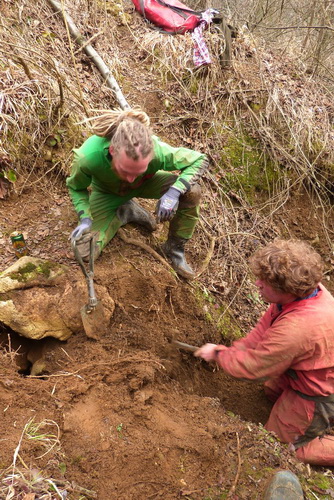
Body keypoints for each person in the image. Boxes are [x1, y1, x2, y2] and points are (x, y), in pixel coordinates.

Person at [195, 239, 334, 466]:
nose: (257, 283)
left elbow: (256, 368)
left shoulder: (298, 328)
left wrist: (220, 355)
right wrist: (236, 349)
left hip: (320, 390)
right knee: (271, 391)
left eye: (265, 282)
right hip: (306, 365)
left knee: (283, 447)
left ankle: (312, 435)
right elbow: (264, 330)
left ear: (286, 290)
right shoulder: (300, 293)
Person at [66, 108, 209, 279]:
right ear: (113, 151)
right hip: (108, 193)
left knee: (191, 192)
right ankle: (124, 212)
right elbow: (76, 188)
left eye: (139, 170)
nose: (131, 178)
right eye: (126, 170)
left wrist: (174, 192)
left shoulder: (156, 150)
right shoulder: (88, 157)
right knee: (85, 252)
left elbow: (199, 159)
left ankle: (174, 247)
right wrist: (85, 217)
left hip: (147, 184)